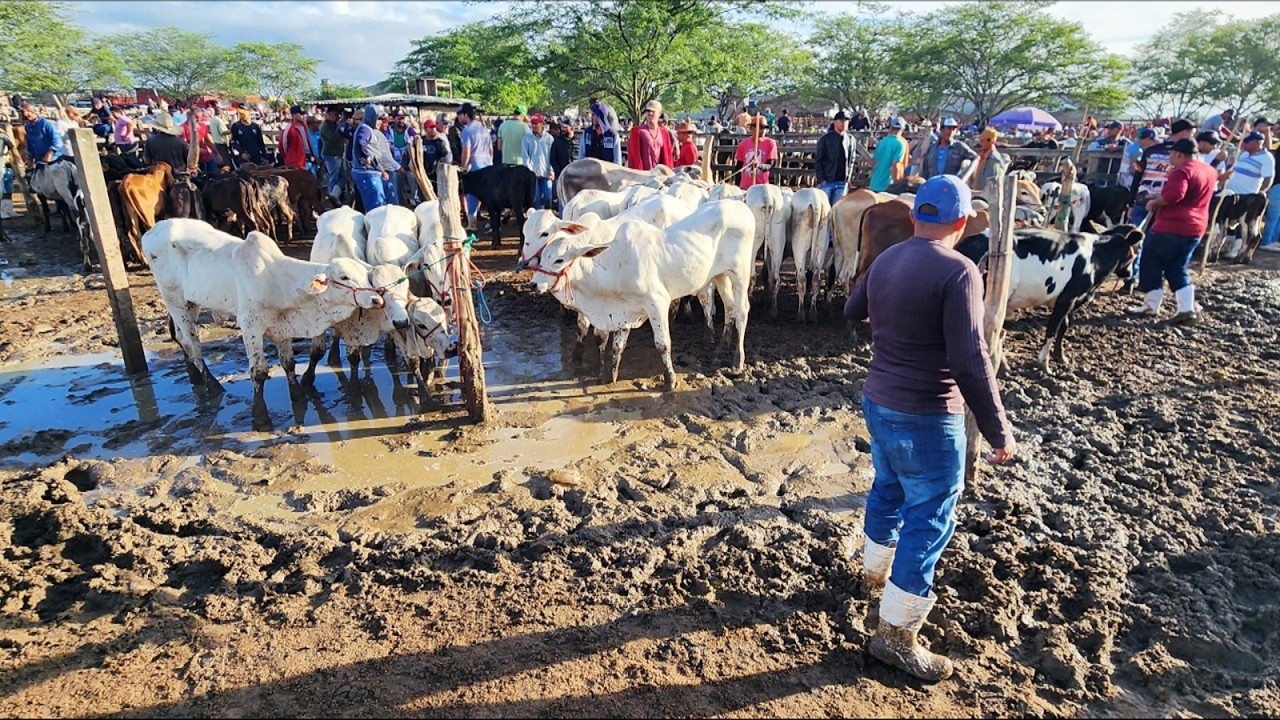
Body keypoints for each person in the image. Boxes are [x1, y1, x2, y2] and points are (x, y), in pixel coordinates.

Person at [844, 174, 1016, 682]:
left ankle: (872, 575)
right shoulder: (960, 271)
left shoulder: (887, 258)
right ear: (961, 223)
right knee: (930, 517)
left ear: (915, 214)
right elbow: (970, 359)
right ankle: (895, 635)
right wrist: (998, 428)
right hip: (928, 414)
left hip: (879, 400)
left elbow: (853, 309)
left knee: (888, 488)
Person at [1129, 138, 1216, 323]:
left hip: (1172, 225)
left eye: (1171, 154)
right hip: (1195, 227)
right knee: (1177, 266)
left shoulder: (1182, 171)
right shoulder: (1208, 170)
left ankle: (1151, 305)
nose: (1170, 157)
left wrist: (1154, 202)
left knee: (1151, 261)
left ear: (1179, 154)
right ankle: (1186, 307)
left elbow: (1175, 195)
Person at [1132, 118, 1195, 228]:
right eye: (1192, 134)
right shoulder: (1188, 155)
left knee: (1134, 237)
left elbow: (1138, 175)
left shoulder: (1150, 150)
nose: (1193, 137)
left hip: (1143, 198)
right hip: (1167, 203)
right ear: (1185, 133)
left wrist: (1131, 202)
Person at [348, 103, 400, 212]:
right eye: (378, 119)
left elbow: (372, 151)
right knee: (376, 206)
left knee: (379, 203)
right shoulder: (365, 128)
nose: (380, 122)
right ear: (372, 117)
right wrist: (366, 157)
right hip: (367, 172)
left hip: (371, 171)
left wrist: (381, 170)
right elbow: (361, 142)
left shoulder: (369, 129)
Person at [456, 102, 493, 226]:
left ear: (466, 115)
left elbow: (466, 150)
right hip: (487, 166)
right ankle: (490, 222)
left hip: (475, 168)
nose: (458, 117)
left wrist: (463, 166)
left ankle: (472, 224)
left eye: (459, 114)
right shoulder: (484, 129)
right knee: (487, 195)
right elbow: (490, 150)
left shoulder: (466, 131)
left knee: (471, 194)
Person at [815, 110, 858, 205]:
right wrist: (821, 179)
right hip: (827, 181)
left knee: (837, 210)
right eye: (841, 121)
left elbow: (852, 161)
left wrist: (848, 178)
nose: (844, 123)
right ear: (835, 122)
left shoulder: (851, 140)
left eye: (846, 121)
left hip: (842, 182)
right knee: (824, 211)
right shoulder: (825, 139)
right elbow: (818, 160)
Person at [627, 99, 674, 171]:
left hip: (659, 177)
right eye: (648, 111)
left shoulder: (664, 133)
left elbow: (668, 158)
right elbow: (633, 157)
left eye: (653, 111)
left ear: (659, 113)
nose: (650, 113)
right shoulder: (637, 131)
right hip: (642, 176)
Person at [521, 113, 555, 210]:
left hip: (546, 172)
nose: (534, 126)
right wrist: (530, 171)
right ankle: (537, 221)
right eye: (533, 123)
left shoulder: (549, 138)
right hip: (532, 174)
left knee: (548, 198)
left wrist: (552, 170)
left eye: (536, 123)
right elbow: (525, 157)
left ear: (542, 124)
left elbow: (552, 156)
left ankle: (547, 218)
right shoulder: (526, 138)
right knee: (535, 199)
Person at [734, 116, 777, 189]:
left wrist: (759, 165)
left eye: (764, 128)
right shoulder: (742, 144)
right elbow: (739, 167)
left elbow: (771, 165)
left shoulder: (771, 143)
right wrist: (737, 187)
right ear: (751, 128)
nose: (762, 131)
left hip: (762, 187)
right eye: (760, 128)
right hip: (745, 186)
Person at [870, 117, 909, 192]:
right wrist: (896, 184)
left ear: (891, 127)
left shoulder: (882, 142)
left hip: (874, 183)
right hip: (887, 186)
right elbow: (896, 165)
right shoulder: (900, 144)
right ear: (902, 129)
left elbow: (874, 161)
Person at [581, 99, 622, 165]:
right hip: (589, 172)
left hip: (607, 173)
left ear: (601, 116)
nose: (591, 118)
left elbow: (617, 160)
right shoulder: (587, 133)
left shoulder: (612, 135)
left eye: (594, 115)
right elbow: (581, 156)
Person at [319, 107, 347, 204]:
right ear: (329, 115)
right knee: (333, 177)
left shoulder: (333, 125)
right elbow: (334, 138)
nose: (337, 117)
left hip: (337, 154)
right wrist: (340, 127)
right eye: (335, 114)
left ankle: (334, 195)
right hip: (331, 154)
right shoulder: (326, 126)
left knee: (343, 177)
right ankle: (332, 197)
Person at [549, 119, 576, 212]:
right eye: (562, 127)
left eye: (565, 127)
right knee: (562, 200)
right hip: (561, 175)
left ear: (572, 128)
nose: (562, 129)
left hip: (576, 176)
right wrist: (559, 173)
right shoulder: (556, 141)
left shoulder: (578, 141)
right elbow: (553, 159)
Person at [279, 105, 313, 171]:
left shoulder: (305, 126)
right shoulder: (289, 129)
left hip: (307, 158)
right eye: (300, 114)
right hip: (296, 162)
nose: (303, 116)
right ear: (294, 114)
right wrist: (290, 157)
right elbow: (282, 145)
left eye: (303, 114)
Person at [206, 104, 230, 170]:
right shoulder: (219, 120)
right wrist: (232, 130)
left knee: (220, 163)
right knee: (225, 164)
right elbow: (223, 132)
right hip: (221, 144)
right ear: (221, 113)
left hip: (216, 143)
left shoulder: (212, 119)